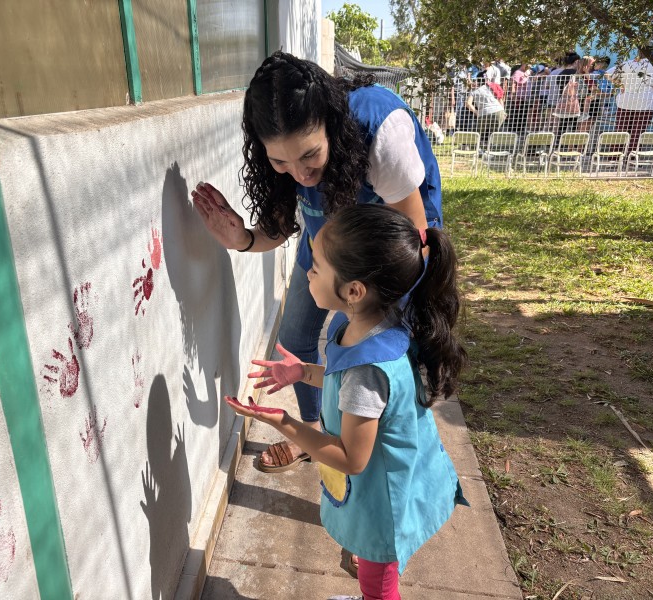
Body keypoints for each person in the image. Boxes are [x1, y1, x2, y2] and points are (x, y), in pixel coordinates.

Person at [191, 51, 442, 473]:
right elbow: (283, 227)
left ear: (331, 124)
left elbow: (411, 237)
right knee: (295, 336)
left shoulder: (380, 129)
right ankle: (317, 435)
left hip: (393, 250)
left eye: (310, 156)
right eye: (279, 162)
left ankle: (376, 447)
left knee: (377, 354)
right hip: (331, 243)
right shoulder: (295, 174)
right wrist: (244, 239)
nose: (300, 174)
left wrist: (373, 312)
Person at [225, 204, 468, 600]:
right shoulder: (372, 326)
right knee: (375, 570)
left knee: (378, 584)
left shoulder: (365, 368)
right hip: (396, 478)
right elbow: (356, 394)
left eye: (317, 266)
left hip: (384, 502)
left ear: (353, 290)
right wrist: (304, 372)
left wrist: (282, 422)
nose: (308, 272)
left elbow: (350, 457)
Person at [607, 52, 653, 152]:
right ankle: (632, 158)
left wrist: (620, 85)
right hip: (646, 102)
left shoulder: (627, 63)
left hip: (625, 101)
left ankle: (615, 156)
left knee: (621, 130)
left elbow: (607, 74)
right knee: (638, 132)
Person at [465, 78, 506, 145]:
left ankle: (473, 146)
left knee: (478, 133)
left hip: (484, 113)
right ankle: (491, 148)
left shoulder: (473, 91)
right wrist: (503, 111)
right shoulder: (489, 86)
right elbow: (499, 97)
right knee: (494, 133)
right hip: (498, 110)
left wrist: (476, 112)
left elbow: (467, 103)